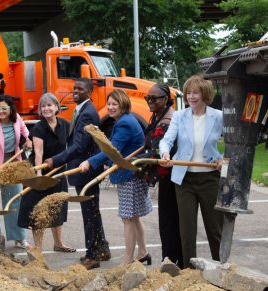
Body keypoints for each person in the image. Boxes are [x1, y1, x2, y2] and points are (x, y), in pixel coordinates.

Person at [80, 89, 152, 264]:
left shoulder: (125, 123)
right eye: (109, 104)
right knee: (134, 217)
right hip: (132, 174)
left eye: (114, 104)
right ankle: (142, 253)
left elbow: (112, 150)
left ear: (122, 104)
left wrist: (90, 162)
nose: (110, 107)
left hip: (129, 176)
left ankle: (128, 260)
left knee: (128, 218)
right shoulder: (125, 120)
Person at [45, 78, 110, 270]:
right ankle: (102, 248)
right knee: (92, 213)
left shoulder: (87, 113)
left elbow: (79, 145)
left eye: (80, 89)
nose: (75, 92)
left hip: (86, 171)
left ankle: (93, 256)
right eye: (74, 89)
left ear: (89, 92)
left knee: (90, 214)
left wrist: (56, 160)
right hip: (84, 170)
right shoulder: (81, 110)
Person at [159, 74, 224, 268]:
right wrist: (164, 153)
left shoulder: (218, 116)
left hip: (210, 179)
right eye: (189, 92)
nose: (191, 96)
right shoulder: (179, 116)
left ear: (205, 94)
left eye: (196, 92)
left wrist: (224, 160)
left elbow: (232, 144)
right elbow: (167, 140)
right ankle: (189, 271)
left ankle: (221, 268)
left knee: (215, 229)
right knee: (187, 230)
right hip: (184, 180)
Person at [17, 93, 76, 253]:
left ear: (57, 107)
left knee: (57, 207)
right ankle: (38, 249)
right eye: (43, 106)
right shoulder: (38, 128)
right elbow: (38, 153)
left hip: (58, 172)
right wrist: (39, 178)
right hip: (39, 172)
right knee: (38, 212)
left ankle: (58, 243)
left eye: (50, 105)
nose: (46, 108)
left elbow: (72, 147)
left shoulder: (65, 125)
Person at [0, 94, 32, 248]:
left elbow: (27, 134)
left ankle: (19, 238)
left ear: (11, 109)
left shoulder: (17, 120)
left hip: (12, 165)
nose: (1, 111)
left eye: (4, 108)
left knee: (14, 201)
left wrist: (28, 141)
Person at [144, 83, 183, 268]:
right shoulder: (158, 116)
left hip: (174, 178)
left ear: (166, 99)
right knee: (166, 221)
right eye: (148, 98)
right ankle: (169, 259)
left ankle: (173, 261)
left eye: (154, 98)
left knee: (171, 221)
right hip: (165, 177)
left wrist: (137, 162)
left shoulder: (169, 120)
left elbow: (156, 152)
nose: (149, 101)